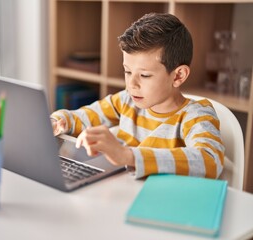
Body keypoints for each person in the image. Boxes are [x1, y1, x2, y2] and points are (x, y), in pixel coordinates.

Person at [50, 13, 224, 179]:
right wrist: (57, 122)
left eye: (145, 75)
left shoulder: (196, 115)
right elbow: (83, 117)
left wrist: (128, 155)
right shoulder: (126, 101)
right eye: (127, 71)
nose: (131, 84)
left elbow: (210, 160)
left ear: (178, 76)